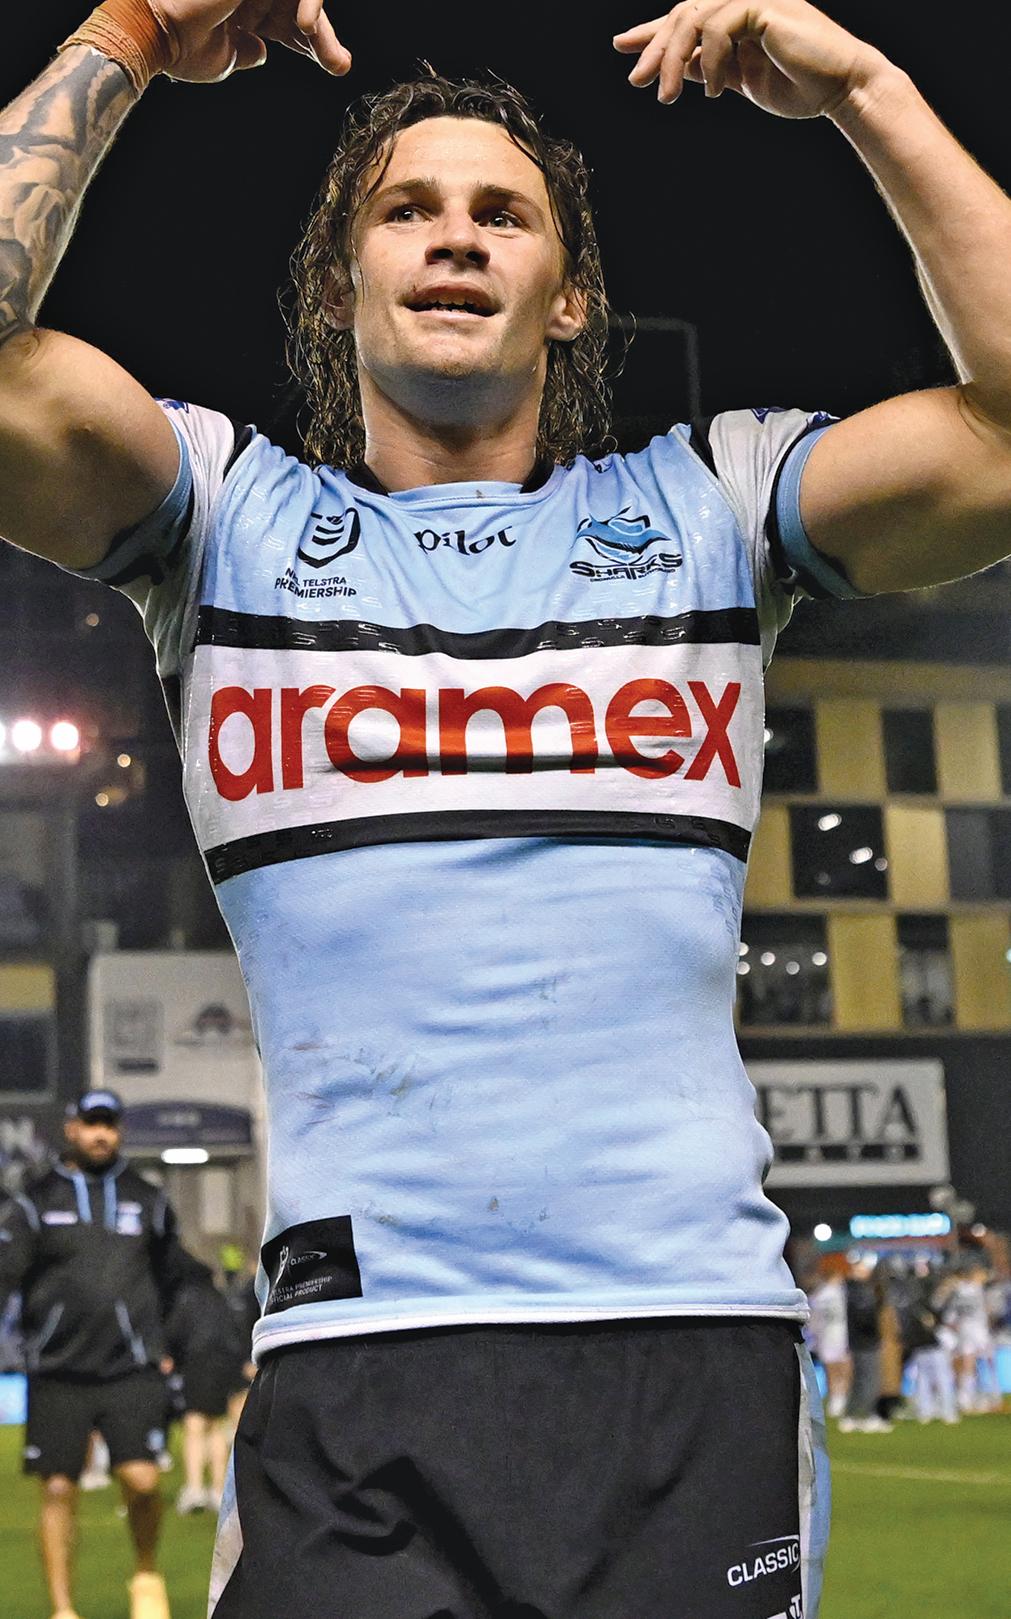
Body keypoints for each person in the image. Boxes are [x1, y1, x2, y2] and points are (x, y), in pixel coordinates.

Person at [5, 2, 1011, 1614]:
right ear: (337, 286)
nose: (456, 235)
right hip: (354, 1371)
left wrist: (865, 90)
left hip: (685, 1354)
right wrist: (122, 30)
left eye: (502, 212)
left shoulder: (708, 509)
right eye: (406, 208)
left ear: (569, 296)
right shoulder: (222, 526)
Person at [0, 1091, 184, 1619]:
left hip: (132, 1367)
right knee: (58, 1488)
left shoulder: (148, 1198)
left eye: (109, 1124)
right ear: (71, 1129)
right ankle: (63, 1609)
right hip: (57, 1370)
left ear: (119, 1131)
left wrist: (169, 1343)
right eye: (91, 1123)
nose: (101, 1134)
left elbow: (176, 1279)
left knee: (142, 1482)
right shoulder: (35, 1200)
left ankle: (145, 1573)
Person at [164, 1253, 248, 1513]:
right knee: (216, 1426)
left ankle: (195, 1488)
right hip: (224, 1368)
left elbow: (175, 1334)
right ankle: (218, 1490)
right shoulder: (222, 1298)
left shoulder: (187, 1298)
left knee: (195, 1424)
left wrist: (171, 1357)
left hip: (197, 1366)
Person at [838, 1256, 891, 1435]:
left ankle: (852, 1416)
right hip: (865, 1342)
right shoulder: (859, 1292)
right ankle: (865, 1415)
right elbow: (866, 1318)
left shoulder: (852, 1290)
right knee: (870, 1380)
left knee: (861, 1380)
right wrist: (877, 1333)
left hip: (858, 1342)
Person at [807, 1259, 850, 1420]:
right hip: (841, 1335)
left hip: (826, 1337)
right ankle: (840, 1400)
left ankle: (835, 1401)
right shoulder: (841, 1293)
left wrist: (813, 1337)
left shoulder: (819, 1294)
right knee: (842, 1370)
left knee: (831, 1370)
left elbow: (812, 1319)